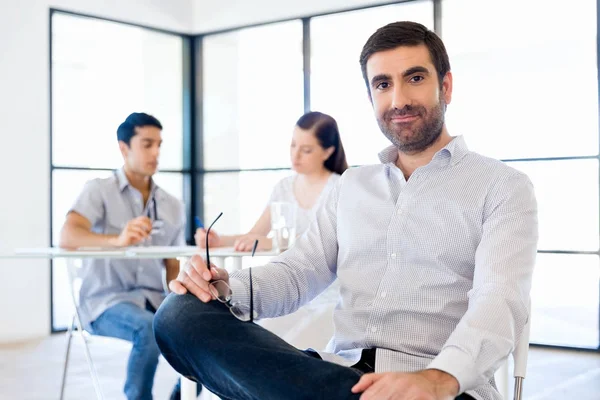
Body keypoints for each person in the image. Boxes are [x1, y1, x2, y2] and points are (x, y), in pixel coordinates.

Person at [153, 21, 538, 400]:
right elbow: (298, 273)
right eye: (383, 84)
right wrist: (223, 288)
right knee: (179, 313)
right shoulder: (351, 186)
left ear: (446, 86)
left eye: (415, 78)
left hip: (438, 387)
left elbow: (499, 299)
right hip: (338, 377)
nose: (398, 99)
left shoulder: (502, 186)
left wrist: (439, 378)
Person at [59, 112, 199, 400]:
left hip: (154, 299)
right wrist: (117, 240)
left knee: (206, 328)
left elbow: (172, 264)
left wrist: (185, 300)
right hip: (105, 303)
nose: (156, 153)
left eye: (159, 144)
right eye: (147, 144)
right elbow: (68, 237)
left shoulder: (172, 205)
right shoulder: (98, 191)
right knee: (147, 330)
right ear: (124, 148)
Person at [195, 111, 348, 252]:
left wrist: (271, 242)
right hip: (291, 278)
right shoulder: (284, 187)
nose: (295, 155)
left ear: (328, 152)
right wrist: (219, 241)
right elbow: (255, 236)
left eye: (306, 150)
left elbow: (330, 241)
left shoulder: (340, 187)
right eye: (293, 145)